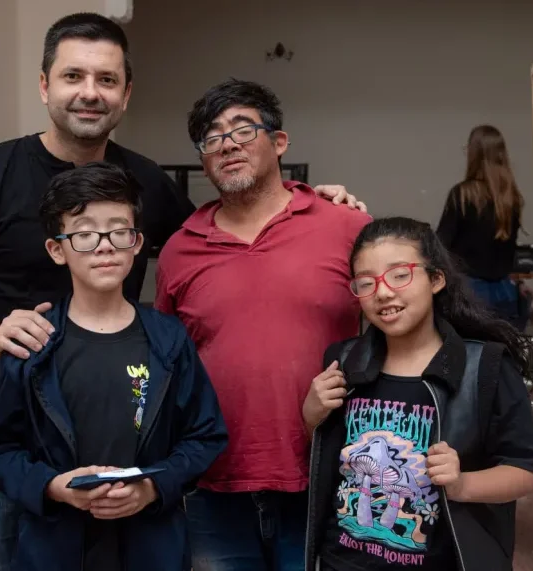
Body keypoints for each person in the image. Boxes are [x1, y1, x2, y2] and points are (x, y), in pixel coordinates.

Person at [0, 13, 358, 570]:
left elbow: (223, 234)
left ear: (125, 94)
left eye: (106, 79)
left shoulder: (148, 183)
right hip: (22, 429)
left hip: (129, 441)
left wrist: (309, 204)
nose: (90, 92)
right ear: (45, 85)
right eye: (73, 76)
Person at [154, 79, 372, 571]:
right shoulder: (179, 249)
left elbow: (397, 326)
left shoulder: (346, 226)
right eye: (212, 137)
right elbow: (168, 364)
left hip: (328, 473)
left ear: (279, 142)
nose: (227, 144)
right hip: (214, 483)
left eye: (242, 129)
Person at [0, 162, 228, 571]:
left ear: (136, 243)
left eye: (118, 231)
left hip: (151, 544)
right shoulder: (34, 344)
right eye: (85, 233)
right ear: (57, 249)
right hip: (56, 547)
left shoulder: (168, 340)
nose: (104, 245)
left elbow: (205, 436)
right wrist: (52, 486)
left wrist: (152, 486)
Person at [302, 217, 533, 571]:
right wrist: (311, 416)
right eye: (366, 283)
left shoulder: (485, 367)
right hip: (341, 562)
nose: (383, 293)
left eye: (400, 275)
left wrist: (462, 484)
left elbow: (527, 470)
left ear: (436, 279)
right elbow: (332, 460)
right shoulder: (343, 361)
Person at [437, 125, 529, 330]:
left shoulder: (462, 194)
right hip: (505, 290)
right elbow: (510, 251)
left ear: (474, 154)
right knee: (502, 347)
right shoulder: (511, 197)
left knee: (470, 347)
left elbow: (441, 245)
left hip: (469, 291)